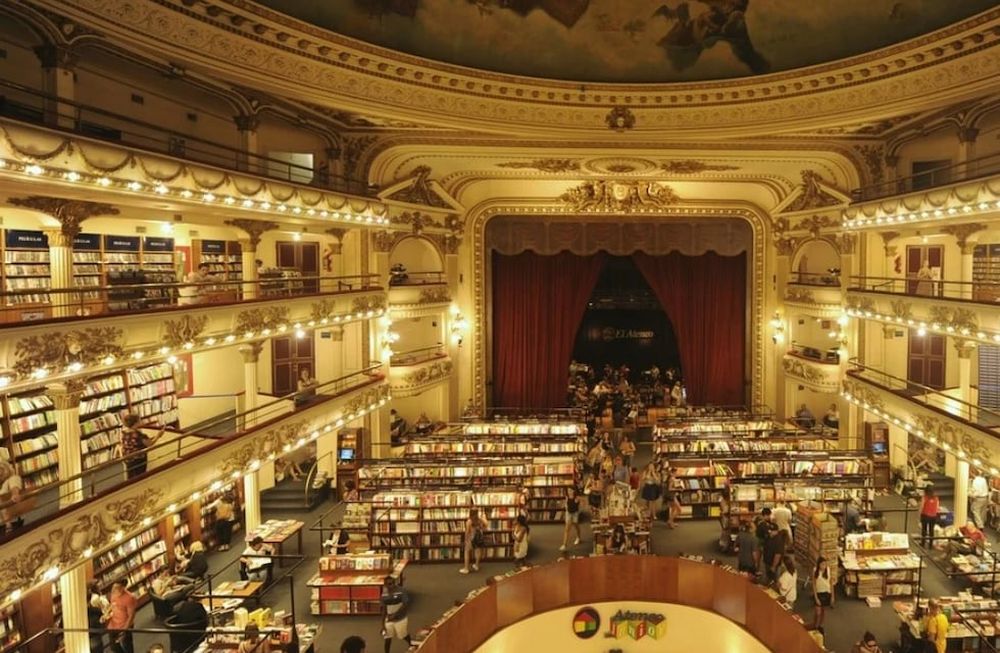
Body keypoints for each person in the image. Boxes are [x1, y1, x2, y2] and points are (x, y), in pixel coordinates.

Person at [117, 413, 166, 479]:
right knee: (140, 475)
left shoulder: (123, 432)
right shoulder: (139, 435)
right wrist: (158, 435)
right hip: (138, 458)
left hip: (128, 458)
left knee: (131, 475)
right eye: (139, 420)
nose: (141, 421)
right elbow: (149, 444)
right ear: (135, 422)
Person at [380, 576, 411, 653]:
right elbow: (384, 609)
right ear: (385, 585)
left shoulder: (401, 591)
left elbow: (405, 604)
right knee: (387, 638)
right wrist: (383, 624)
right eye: (388, 584)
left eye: (392, 583)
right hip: (389, 619)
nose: (391, 585)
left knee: (402, 635)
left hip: (400, 618)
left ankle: (411, 644)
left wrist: (395, 614)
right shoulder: (384, 594)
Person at [106, 581, 137, 653]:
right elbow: (112, 605)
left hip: (124, 625)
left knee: (127, 646)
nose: (113, 590)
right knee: (114, 646)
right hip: (113, 625)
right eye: (113, 588)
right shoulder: (113, 594)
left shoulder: (129, 598)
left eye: (116, 588)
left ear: (122, 588)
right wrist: (106, 613)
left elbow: (131, 615)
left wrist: (125, 629)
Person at [459, 508, 487, 574]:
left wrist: (466, 540)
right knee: (478, 551)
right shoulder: (480, 519)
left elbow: (467, 532)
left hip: (472, 538)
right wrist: (484, 518)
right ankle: (476, 565)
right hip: (479, 537)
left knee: (467, 552)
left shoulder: (469, 521)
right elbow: (486, 525)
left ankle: (466, 568)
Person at [0, 461, 24, 532]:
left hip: (9, 518)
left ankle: (8, 525)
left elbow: (14, 485)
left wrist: (15, 494)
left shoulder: (11, 479)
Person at [88, 580, 109, 653]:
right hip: (93, 634)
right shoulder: (95, 599)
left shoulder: (96, 597)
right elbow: (100, 610)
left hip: (93, 634)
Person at [812, 556, 834, 627]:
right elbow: (814, 585)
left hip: (827, 592)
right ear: (819, 564)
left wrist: (832, 596)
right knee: (817, 612)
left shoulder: (828, 570)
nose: (824, 566)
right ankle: (815, 625)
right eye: (822, 564)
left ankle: (820, 625)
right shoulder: (815, 570)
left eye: (825, 564)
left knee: (823, 611)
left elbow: (831, 583)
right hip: (818, 593)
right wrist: (816, 598)